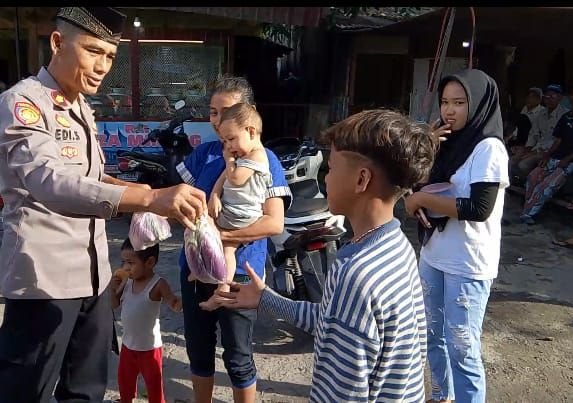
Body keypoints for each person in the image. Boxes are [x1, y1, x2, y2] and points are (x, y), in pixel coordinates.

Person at [0, 7, 206, 403]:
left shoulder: (81, 107)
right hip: (43, 280)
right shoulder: (22, 104)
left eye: (110, 56)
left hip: (94, 277)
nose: (103, 66)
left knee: (86, 390)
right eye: (92, 51)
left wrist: (147, 196)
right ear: (57, 43)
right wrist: (151, 197)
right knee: (25, 392)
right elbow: (48, 182)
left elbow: (90, 178)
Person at [210, 109, 436, 402]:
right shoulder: (394, 246)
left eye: (330, 168)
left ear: (361, 180)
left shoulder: (357, 274)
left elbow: (343, 392)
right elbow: (332, 320)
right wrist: (265, 298)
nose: (325, 179)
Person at [174, 76, 291, 403]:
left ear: (248, 115)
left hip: (241, 271)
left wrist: (218, 235)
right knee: (198, 351)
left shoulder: (265, 160)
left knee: (237, 356)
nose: (218, 122)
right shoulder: (207, 153)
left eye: (226, 113)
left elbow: (273, 223)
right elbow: (183, 201)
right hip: (194, 267)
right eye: (213, 113)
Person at [405, 69, 509, 403]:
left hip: (468, 261)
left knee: (462, 345)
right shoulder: (445, 143)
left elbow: (479, 207)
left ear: (478, 104)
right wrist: (429, 147)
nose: (450, 111)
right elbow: (417, 181)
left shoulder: (488, 149)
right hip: (434, 253)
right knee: (431, 334)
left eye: (460, 102)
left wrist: (421, 200)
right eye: (446, 102)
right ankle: (441, 396)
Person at [201, 103, 271, 307]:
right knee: (212, 236)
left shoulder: (257, 155)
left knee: (210, 234)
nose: (229, 147)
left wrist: (228, 161)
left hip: (240, 216)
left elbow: (235, 179)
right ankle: (205, 275)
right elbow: (224, 177)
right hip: (233, 211)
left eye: (231, 139)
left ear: (250, 131)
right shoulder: (243, 155)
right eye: (224, 142)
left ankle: (221, 290)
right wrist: (214, 196)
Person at [110, 240, 182, 403]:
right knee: (125, 383)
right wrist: (112, 290)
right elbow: (114, 304)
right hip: (128, 346)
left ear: (149, 262)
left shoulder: (157, 284)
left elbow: (172, 302)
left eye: (131, 262)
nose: (126, 267)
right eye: (124, 262)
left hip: (150, 349)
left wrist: (180, 304)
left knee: (154, 386)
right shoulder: (127, 282)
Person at [519, 83, 573, 224]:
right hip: (555, 156)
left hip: (572, 160)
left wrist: (568, 158)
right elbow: (558, 140)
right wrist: (547, 155)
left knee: (547, 185)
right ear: (569, 97)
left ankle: (528, 214)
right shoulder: (566, 117)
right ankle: (527, 211)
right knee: (533, 177)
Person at [510, 84, 568, 179]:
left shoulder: (564, 115)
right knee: (511, 160)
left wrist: (536, 151)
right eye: (547, 97)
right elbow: (533, 133)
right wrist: (528, 148)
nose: (549, 100)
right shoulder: (542, 114)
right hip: (536, 147)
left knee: (523, 164)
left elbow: (558, 140)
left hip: (550, 151)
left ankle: (527, 184)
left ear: (560, 98)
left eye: (552, 97)